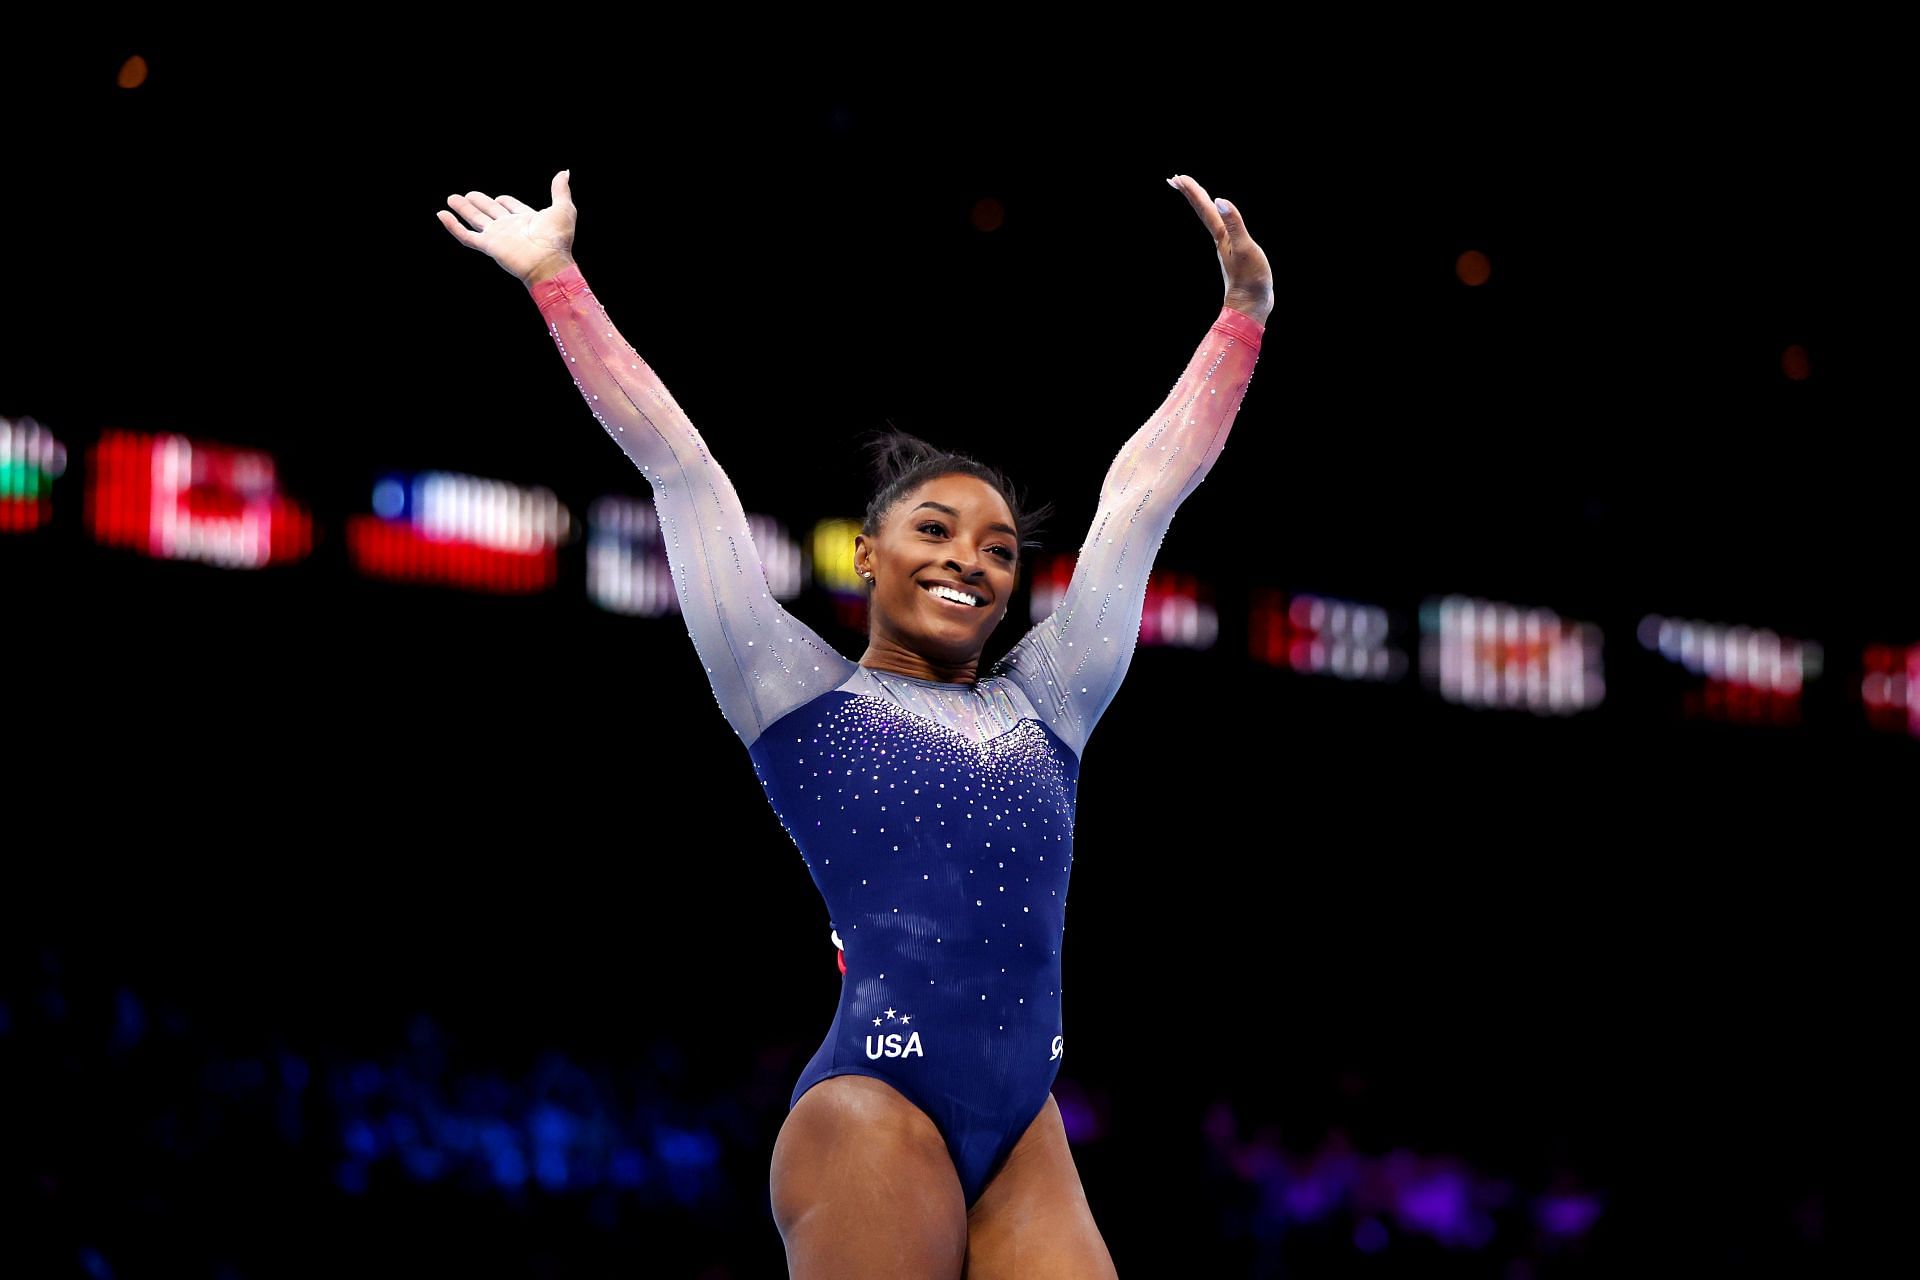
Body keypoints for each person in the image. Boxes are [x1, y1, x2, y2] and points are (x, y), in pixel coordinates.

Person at [437, 168, 1273, 1278]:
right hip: (873, 1108)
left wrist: (1240, 321)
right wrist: (556, 279)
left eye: (997, 550)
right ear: (868, 557)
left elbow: (1143, 495)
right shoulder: (794, 693)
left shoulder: (1052, 702)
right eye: (935, 529)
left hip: (1026, 1125)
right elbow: (680, 470)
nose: (969, 560)